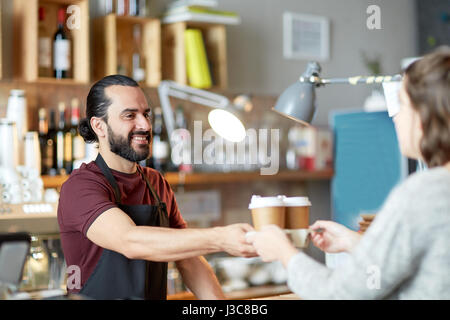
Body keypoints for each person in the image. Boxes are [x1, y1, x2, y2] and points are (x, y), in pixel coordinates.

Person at [247, 47, 450, 299]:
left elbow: (338, 294)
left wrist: (284, 252)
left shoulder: (423, 193)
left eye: (403, 105)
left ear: (424, 118)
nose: (396, 117)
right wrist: (354, 243)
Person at [57, 75, 256, 300]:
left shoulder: (155, 183)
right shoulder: (80, 186)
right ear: (99, 126)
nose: (145, 125)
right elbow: (129, 240)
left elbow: (189, 259)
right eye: (130, 115)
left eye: (146, 114)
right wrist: (220, 238)